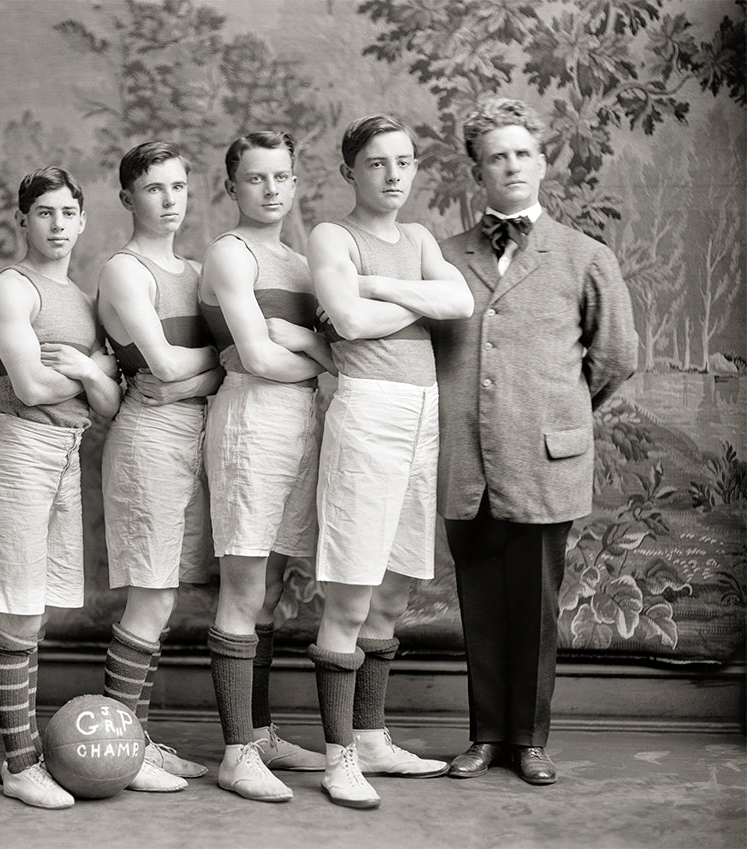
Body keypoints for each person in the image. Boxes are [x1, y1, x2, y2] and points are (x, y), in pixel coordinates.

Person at [434, 98, 637, 786]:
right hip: (463, 462)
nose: (511, 164)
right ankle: (485, 735)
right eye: (497, 156)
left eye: (522, 152)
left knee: (535, 607)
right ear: (479, 171)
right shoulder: (443, 257)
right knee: (481, 606)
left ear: (541, 162)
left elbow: (614, 359)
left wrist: (557, 416)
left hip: (545, 463)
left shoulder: (585, 257)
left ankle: (529, 739)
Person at [306, 114, 473, 808]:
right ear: (352, 171)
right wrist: (410, 304)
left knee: (397, 588)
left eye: (403, 161)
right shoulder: (331, 236)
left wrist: (380, 290)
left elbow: (460, 303)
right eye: (377, 163)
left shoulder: (420, 238)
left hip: (422, 414)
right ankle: (338, 755)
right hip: (368, 409)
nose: (394, 174)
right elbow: (345, 322)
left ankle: (372, 737)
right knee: (351, 587)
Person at [0, 166, 122, 809]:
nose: (58, 225)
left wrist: (92, 370)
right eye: (44, 213)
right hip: (18, 451)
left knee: (37, 611)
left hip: (65, 456)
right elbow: (30, 388)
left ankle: (26, 756)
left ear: (83, 220)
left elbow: (112, 405)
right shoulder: (11, 288)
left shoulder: (86, 302)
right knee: (19, 608)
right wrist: (93, 375)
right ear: (22, 221)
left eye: (68, 213)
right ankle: (20, 763)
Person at [199, 130, 335, 803]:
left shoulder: (301, 260)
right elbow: (254, 356)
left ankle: (261, 731)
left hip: (302, 424)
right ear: (232, 186)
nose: (272, 189)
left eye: (281, 176)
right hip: (251, 420)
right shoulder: (231, 252)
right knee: (244, 580)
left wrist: (302, 341)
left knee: (275, 584)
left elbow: (320, 351)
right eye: (256, 178)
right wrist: (317, 356)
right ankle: (235, 751)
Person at [96, 141, 223, 793]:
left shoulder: (199, 270)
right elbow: (168, 368)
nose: (169, 200)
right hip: (148, 439)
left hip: (194, 435)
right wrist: (213, 368)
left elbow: (211, 366)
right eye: (154, 189)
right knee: (152, 594)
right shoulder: (125, 270)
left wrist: (194, 377)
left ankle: (138, 736)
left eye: (178, 186)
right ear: (127, 199)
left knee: (168, 595)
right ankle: (123, 747)